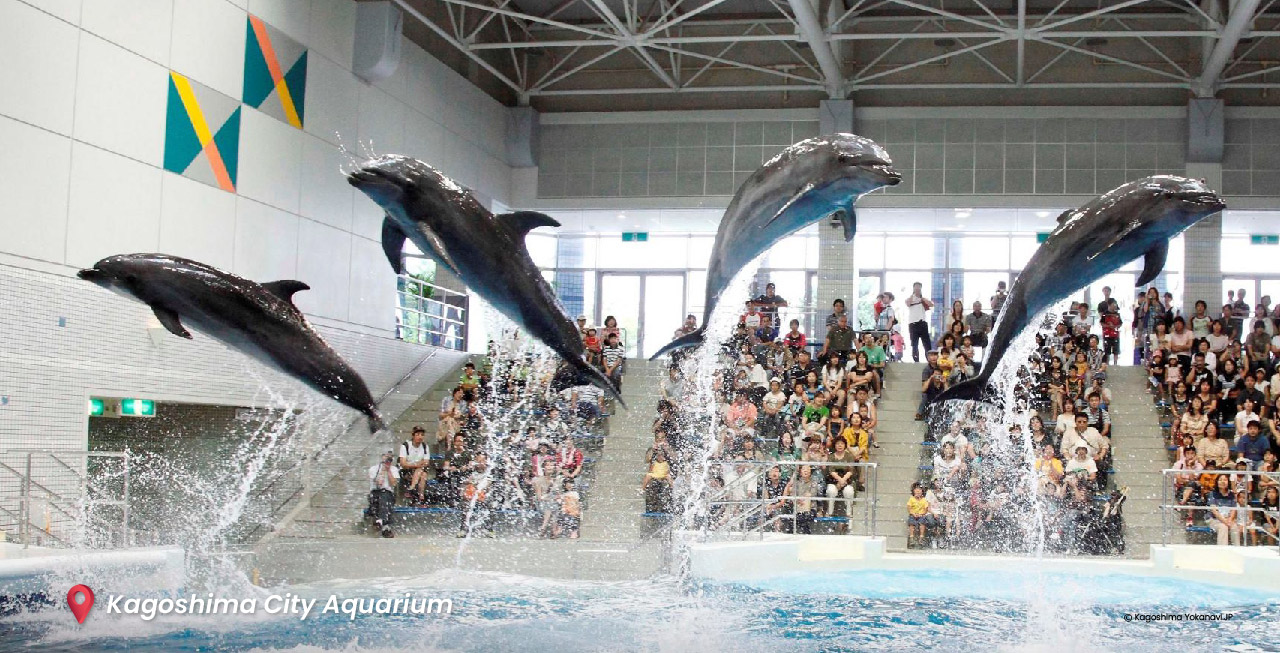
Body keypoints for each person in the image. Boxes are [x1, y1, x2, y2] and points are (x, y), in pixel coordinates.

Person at [368, 452, 398, 538]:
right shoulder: (374, 469)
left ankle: (380, 520)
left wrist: (388, 471)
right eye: (386, 456)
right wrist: (383, 470)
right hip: (375, 493)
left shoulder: (394, 469)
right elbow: (378, 483)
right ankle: (386, 528)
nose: (388, 459)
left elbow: (394, 484)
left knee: (385, 496)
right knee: (381, 499)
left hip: (388, 494)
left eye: (390, 457)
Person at [398, 426, 431, 505]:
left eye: (422, 435)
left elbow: (426, 462)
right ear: (413, 435)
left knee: (423, 474)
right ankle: (421, 497)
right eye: (418, 434)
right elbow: (403, 463)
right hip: (406, 470)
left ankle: (412, 488)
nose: (420, 437)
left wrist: (418, 465)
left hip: (419, 469)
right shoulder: (405, 446)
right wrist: (416, 464)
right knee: (421, 472)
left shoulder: (425, 446)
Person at [787, 464, 823, 533]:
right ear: (800, 472)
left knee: (804, 516)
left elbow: (813, 494)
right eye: (804, 469)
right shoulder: (797, 483)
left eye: (807, 469)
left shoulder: (814, 483)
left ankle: (806, 533)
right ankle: (800, 533)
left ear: (810, 472)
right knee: (793, 519)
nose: (806, 471)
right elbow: (793, 494)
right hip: (798, 508)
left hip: (810, 508)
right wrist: (798, 500)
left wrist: (803, 499)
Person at [905, 282, 934, 362]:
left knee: (927, 344)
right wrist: (913, 295)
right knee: (914, 344)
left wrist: (922, 298)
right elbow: (908, 303)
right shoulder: (910, 298)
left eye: (919, 287)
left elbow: (931, 304)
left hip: (923, 323)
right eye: (916, 287)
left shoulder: (923, 299)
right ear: (913, 288)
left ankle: (930, 360)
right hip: (913, 324)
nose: (917, 288)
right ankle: (916, 360)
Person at [1208, 474, 1240, 545]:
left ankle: (1237, 548)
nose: (1223, 482)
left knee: (1234, 527)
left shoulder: (1231, 495)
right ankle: (1223, 550)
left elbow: (1233, 509)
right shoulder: (1212, 494)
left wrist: (1230, 519)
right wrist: (1225, 521)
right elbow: (1214, 511)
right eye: (1220, 480)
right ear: (1217, 482)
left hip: (1228, 519)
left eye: (1225, 480)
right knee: (1223, 527)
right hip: (1214, 519)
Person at [907, 484, 933, 549]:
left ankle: (921, 537)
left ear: (922, 491)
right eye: (916, 489)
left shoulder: (924, 500)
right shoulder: (911, 499)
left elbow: (926, 509)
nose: (918, 491)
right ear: (913, 491)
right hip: (913, 514)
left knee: (922, 522)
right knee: (911, 522)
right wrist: (913, 513)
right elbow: (909, 508)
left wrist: (922, 514)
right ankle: (911, 537)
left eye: (920, 489)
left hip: (921, 515)